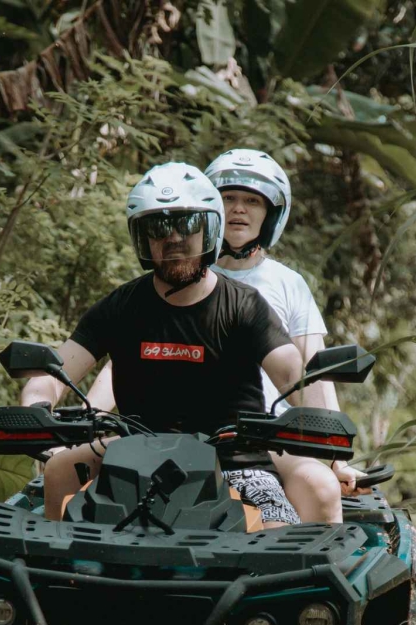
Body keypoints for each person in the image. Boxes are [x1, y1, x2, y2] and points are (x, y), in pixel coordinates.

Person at [18, 162, 306, 527]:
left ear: (210, 230)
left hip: (235, 459)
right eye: (158, 228)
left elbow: (291, 373)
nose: (174, 238)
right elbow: (54, 372)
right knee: (59, 468)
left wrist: (311, 413)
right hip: (132, 452)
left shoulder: (245, 305)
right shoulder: (121, 305)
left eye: (187, 225)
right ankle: (56, 560)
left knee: (278, 534)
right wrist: (36, 407)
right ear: (143, 238)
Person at [85, 149, 354, 522]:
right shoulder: (165, 280)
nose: (239, 209)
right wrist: (89, 419)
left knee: (320, 487)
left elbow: (311, 371)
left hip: (265, 437)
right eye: (229, 198)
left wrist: (336, 456)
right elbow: (126, 358)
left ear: (271, 213)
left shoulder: (285, 284)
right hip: (161, 431)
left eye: (252, 201)